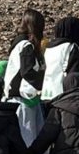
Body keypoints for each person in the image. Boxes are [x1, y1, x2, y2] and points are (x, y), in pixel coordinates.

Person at [4, 9, 47, 146]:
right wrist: (44, 83)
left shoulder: (18, 44)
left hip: (21, 99)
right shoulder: (26, 46)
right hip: (22, 100)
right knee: (28, 140)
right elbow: (27, 72)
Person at [42, 16, 79, 102]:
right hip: (63, 94)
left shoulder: (49, 48)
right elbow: (73, 72)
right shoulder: (70, 47)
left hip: (46, 92)